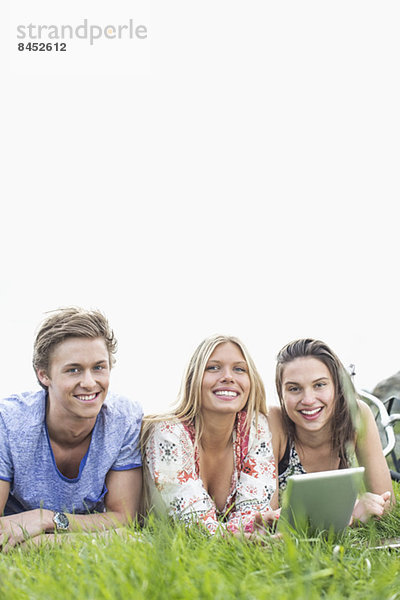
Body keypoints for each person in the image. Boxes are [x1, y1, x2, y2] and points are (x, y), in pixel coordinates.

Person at [0, 307, 143, 551]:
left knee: (124, 536)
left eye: (99, 367)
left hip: (47, 535)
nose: (89, 383)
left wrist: (45, 518)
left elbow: (123, 517)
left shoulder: (124, 419)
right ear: (44, 375)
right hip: (32, 535)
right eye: (73, 370)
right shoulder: (9, 422)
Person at [141, 334, 277, 536]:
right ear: (193, 379)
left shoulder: (255, 428)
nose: (228, 377)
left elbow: (255, 510)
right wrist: (237, 537)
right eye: (213, 367)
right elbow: (192, 522)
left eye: (239, 369)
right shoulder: (168, 432)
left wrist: (263, 523)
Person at [268, 338, 394, 523]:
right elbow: (266, 518)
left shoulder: (355, 415)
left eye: (319, 385)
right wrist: (349, 516)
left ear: (337, 386)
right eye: (294, 388)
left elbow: (386, 504)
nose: (309, 400)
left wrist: (369, 506)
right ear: (281, 393)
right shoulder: (274, 421)